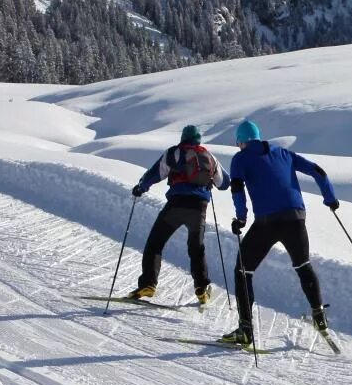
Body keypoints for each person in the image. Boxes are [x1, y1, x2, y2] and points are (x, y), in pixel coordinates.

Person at [219, 119, 338, 349]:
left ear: (241, 142)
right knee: (303, 265)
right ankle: (319, 316)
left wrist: (241, 218)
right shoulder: (284, 153)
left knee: (243, 270)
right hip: (296, 219)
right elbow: (319, 172)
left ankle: (245, 331)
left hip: (267, 222)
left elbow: (236, 188)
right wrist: (330, 199)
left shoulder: (240, 159)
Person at [127, 124, 220, 306]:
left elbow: (154, 175)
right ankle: (201, 289)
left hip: (176, 206)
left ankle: (148, 284)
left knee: (155, 243)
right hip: (198, 208)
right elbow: (224, 182)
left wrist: (140, 188)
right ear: (199, 139)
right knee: (196, 247)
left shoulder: (174, 153)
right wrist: (208, 182)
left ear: (183, 138)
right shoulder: (209, 157)